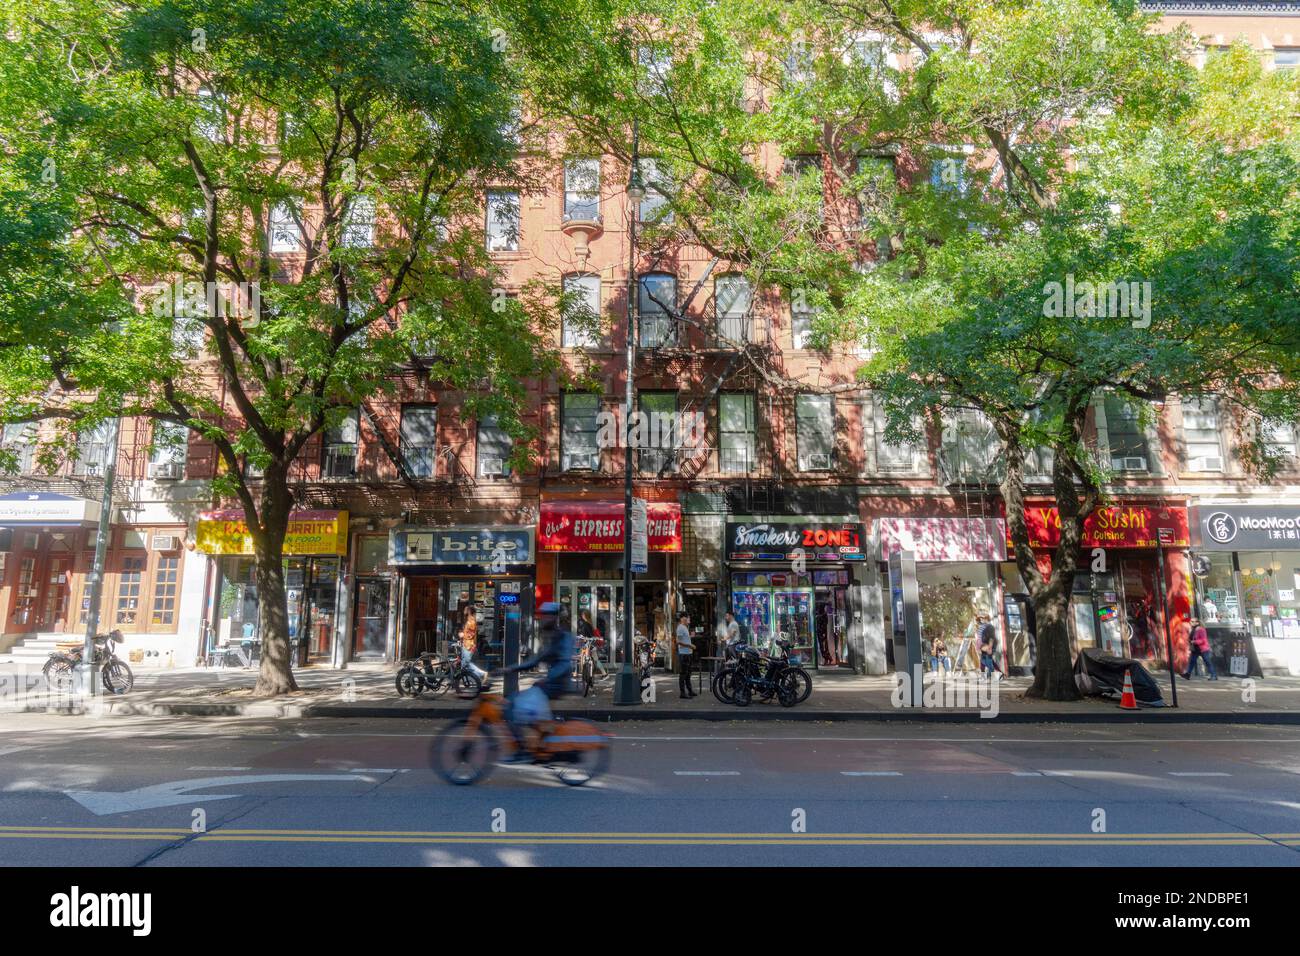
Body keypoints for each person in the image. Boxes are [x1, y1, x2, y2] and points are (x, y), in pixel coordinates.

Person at [504, 602, 578, 755]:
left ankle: (521, 751)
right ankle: (542, 740)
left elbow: (565, 663)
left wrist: (548, 678)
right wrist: (511, 668)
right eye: (542, 615)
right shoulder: (551, 637)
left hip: (557, 685)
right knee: (529, 711)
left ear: (554, 618)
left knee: (513, 705)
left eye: (546, 615)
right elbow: (536, 660)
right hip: (551, 684)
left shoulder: (564, 637)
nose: (543, 619)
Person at [459, 604, 491, 690]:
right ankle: (470, 681)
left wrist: (463, 635)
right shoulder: (470, 620)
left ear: (469, 612)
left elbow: (471, 635)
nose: (464, 611)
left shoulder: (471, 621)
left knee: (467, 664)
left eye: (466, 610)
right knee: (464, 665)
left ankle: (481, 674)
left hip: (468, 646)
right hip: (467, 645)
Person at [675, 611, 696, 698]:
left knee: (688, 674)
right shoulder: (680, 627)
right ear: (683, 618)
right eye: (688, 617)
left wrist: (690, 637)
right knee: (683, 674)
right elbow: (678, 641)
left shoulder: (685, 627)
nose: (689, 619)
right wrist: (690, 645)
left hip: (688, 653)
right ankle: (682, 693)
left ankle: (690, 691)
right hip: (684, 654)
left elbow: (683, 639)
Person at [976, 612, 1002, 680]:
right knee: (985, 661)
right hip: (985, 646)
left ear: (986, 619)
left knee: (988, 661)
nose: (982, 620)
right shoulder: (986, 626)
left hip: (988, 646)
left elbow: (991, 638)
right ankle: (996, 674)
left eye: (983, 618)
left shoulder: (990, 627)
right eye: (982, 619)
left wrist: (990, 647)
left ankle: (993, 676)